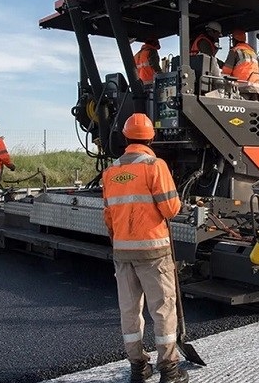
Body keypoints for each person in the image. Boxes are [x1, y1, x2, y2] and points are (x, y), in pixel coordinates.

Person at [101, 113, 187, 383]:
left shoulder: (111, 171)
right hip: (153, 252)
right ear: (151, 137)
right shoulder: (154, 165)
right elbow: (171, 209)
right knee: (162, 309)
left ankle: (138, 367)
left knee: (129, 310)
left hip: (123, 252)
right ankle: (169, 370)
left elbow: (108, 217)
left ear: (125, 138)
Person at [222, 29, 259, 100]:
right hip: (256, 89)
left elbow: (226, 71)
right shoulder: (253, 52)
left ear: (234, 40)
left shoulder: (235, 50)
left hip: (242, 88)